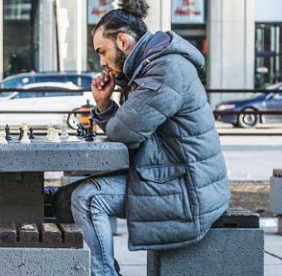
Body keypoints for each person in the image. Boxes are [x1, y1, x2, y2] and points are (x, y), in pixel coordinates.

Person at [52, 1, 230, 275]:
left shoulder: (165, 70)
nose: (101, 62)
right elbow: (130, 130)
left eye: (103, 51)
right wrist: (104, 104)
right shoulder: (150, 66)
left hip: (188, 189)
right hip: (172, 176)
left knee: (87, 199)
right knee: (71, 195)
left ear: (122, 41)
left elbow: (124, 132)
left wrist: (107, 107)